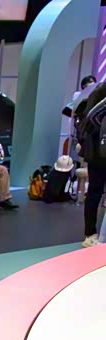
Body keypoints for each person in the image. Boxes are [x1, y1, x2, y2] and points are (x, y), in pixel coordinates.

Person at [78, 81, 106, 247]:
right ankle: (90, 234)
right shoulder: (101, 92)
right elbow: (91, 118)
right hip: (97, 151)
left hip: (98, 149)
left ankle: (94, 234)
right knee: (95, 192)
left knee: (95, 192)